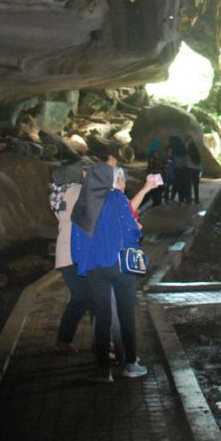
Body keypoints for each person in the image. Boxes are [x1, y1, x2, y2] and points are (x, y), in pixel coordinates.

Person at [70, 150, 149, 382]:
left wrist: (84, 265)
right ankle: (131, 364)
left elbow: (77, 242)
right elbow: (130, 232)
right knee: (126, 315)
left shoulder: (82, 204)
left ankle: (104, 370)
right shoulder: (117, 199)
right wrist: (138, 233)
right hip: (121, 267)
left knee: (102, 318)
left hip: (96, 269)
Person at [51, 161, 91, 355]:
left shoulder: (60, 193)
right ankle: (105, 342)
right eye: (84, 171)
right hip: (77, 254)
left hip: (68, 254)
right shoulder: (77, 191)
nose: (87, 174)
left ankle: (64, 340)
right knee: (87, 297)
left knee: (84, 297)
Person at [185, 138, 203, 205]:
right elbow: (200, 162)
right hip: (197, 170)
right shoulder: (196, 151)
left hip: (189, 169)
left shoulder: (188, 151)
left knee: (189, 185)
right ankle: (197, 199)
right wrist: (201, 170)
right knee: (196, 185)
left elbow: (186, 161)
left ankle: (188, 200)